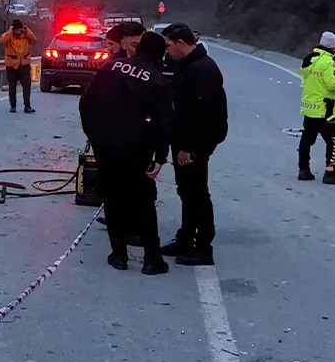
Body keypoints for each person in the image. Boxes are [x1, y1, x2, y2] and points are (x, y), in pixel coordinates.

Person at [78, 31, 173, 275]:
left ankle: (118, 254)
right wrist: (160, 157)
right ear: (160, 54)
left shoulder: (110, 67)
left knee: (112, 197)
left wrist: (93, 134)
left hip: (105, 144)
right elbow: (163, 123)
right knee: (143, 200)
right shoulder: (158, 80)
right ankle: (152, 259)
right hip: (136, 146)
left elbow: (86, 101)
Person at [160, 23, 228, 267]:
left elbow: (200, 114)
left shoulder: (201, 70)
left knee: (197, 193)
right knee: (186, 192)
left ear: (181, 43)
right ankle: (185, 238)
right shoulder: (188, 66)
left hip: (196, 143)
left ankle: (203, 247)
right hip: (185, 139)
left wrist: (188, 148)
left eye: (168, 45)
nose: (167, 51)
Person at [297, 31, 335, 186]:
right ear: (334, 47)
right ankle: (330, 172)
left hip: (309, 108)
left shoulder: (310, 59)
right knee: (334, 141)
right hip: (325, 110)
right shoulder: (329, 63)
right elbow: (333, 84)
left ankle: (303, 170)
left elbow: (305, 82)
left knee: (307, 139)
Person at [0, 19, 37, 114]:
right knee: (12, 86)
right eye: (17, 30)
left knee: (26, 86)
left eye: (21, 30)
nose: (19, 32)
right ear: (14, 29)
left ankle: (27, 106)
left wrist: (27, 30)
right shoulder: (9, 36)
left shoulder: (26, 36)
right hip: (12, 65)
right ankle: (13, 105)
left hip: (24, 64)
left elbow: (34, 39)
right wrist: (11, 32)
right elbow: (1, 40)